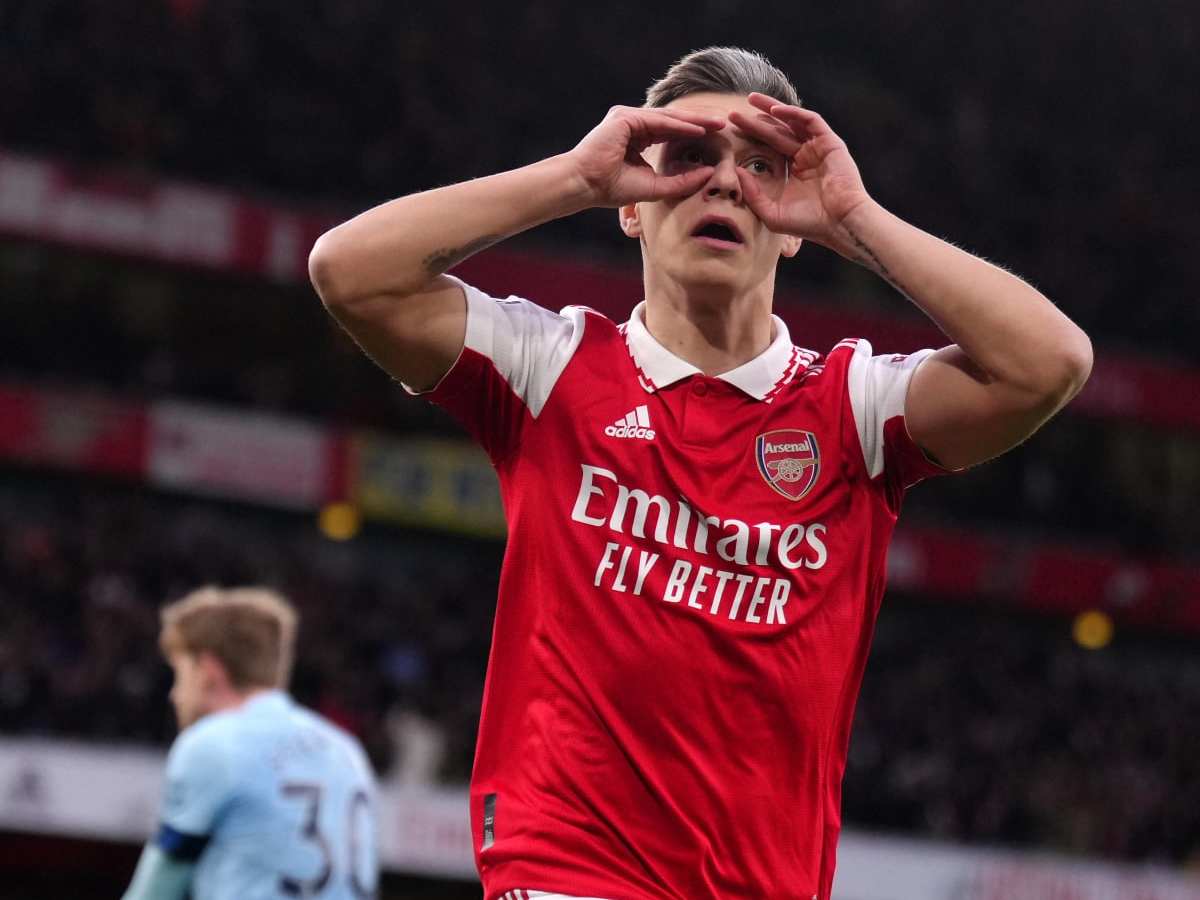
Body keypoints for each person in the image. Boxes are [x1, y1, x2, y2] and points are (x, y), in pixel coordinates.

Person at [309, 46, 1092, 900]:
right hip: (570, 876)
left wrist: (854, 217)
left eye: (760, 168)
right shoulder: (549, 365)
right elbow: (350, 272)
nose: (726, 184)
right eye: (691, 158)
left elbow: (1048, 363)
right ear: (633, 208)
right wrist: (572, 178)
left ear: (791, 227)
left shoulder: (857, 408)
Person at [121, 587, 378, 900]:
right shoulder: (347, 750)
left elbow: (154, 892)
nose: (174, 694)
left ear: (208, 671)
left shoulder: (213, 744)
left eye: (180, 673)